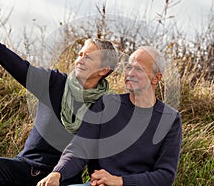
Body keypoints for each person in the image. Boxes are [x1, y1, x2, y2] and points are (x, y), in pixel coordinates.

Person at [0, 22, 118, 186]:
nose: (80, 60)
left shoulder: (104, 107)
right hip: (28, 167)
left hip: (63, 179)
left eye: (87, 57)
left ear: (103, 70)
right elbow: (22, 69)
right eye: (79, 54)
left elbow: (95, 153)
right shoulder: (55, 82)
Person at [38, 46, 182, 186]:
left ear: (156, 78)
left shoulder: (170, 118)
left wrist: (120, 182)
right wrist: (58, 173)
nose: (130, 73)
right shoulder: (106, 104)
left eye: (138, 69)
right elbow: (80, 148)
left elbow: (165, 175)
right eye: (128, 67)